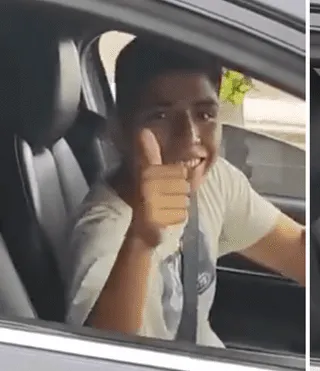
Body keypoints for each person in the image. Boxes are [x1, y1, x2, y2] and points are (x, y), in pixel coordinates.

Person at [64, 38, 305, 347]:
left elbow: (299, 253)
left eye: (205, 115)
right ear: (119, 132)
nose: (190, 137)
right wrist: (139, 242)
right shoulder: (104, 232)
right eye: (160, 116)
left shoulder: (214, 180)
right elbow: (96, 360)